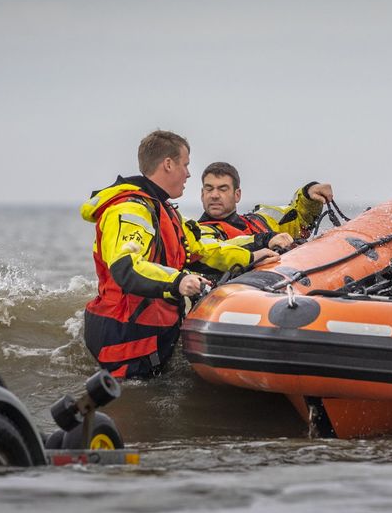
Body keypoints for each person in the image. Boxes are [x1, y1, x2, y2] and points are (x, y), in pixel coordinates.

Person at [81, 131, 277, 379]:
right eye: (185, 165)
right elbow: (127, 267)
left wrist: (252, 256)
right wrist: (178, 281)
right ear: (168, 164)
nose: (188, 174)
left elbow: (204, 250)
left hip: (150, 334)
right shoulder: (130, 210)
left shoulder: (163, 210)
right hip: (125, 336)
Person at [197, 161, 334, 251]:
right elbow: (217, 250)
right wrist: (264, 240)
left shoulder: (261, 220)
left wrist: (309, 194)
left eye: (222, 189)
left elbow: (298, 218)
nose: (214, 195)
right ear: (202, 194)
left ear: (237, 194)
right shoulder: (195, 234)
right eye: (209, 189)